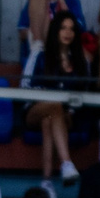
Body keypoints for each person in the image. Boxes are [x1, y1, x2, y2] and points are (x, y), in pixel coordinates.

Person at [24, 10, 92, 184]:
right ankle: (66, 163)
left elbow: (84, 91)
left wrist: (70, 109)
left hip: (67, 115)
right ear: (56, 30)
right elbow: (25, 85)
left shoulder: (80, 59)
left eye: (71, 29)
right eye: (63, 28)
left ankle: (47, 182)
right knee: (53, 107)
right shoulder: (40, 54)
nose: (68, 33)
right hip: (35, 110)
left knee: (49, 120)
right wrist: (47, 97)